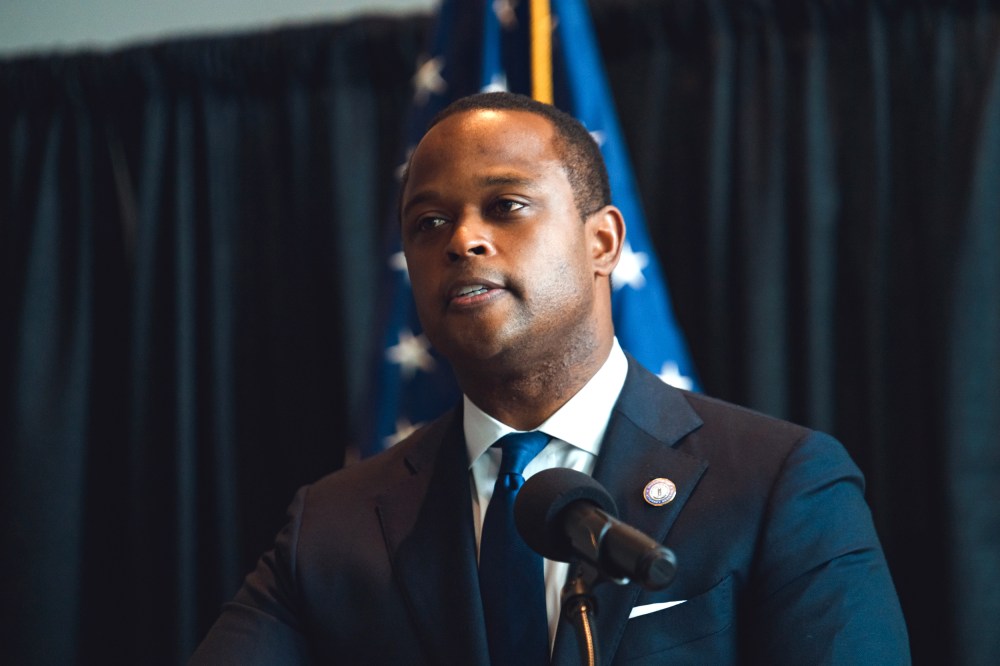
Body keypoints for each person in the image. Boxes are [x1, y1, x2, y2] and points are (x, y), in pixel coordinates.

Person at [191, 92, 910, 664]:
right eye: (429, 223)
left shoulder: (779, 484)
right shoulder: (330, 525)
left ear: (603, 242)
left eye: (505, 206)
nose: (463, 240)